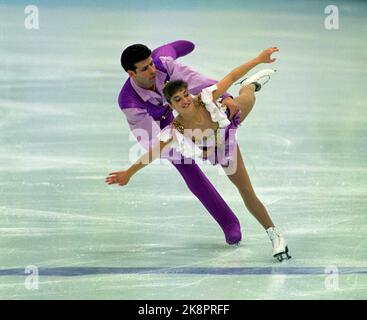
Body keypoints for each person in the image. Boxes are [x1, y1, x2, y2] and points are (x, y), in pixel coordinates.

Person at [106, 46, 291, 261]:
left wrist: (258, 60)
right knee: (244, 189)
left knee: (248, 98)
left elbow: (229, 76)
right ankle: (273, 233)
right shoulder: (160, 121)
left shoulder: (204, 96)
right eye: (178, 99)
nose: (185, 100)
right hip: (218, 148)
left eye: (186, 95)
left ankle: (250, 86)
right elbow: (151, 148)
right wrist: (129, 173)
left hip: (225, 123)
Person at [110, 40, 245, 246]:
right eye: (144, 68)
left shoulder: (163, 65)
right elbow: (149, 139)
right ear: (131, 73)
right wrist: (188, 145)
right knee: (184, 164)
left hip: (178, 98)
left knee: (171, 52)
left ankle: (170, 48)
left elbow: (198, 82)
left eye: (151, 64)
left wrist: (225, 96)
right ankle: (228, 222)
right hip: (161, 121)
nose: (152, 70)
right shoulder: (129, 101)